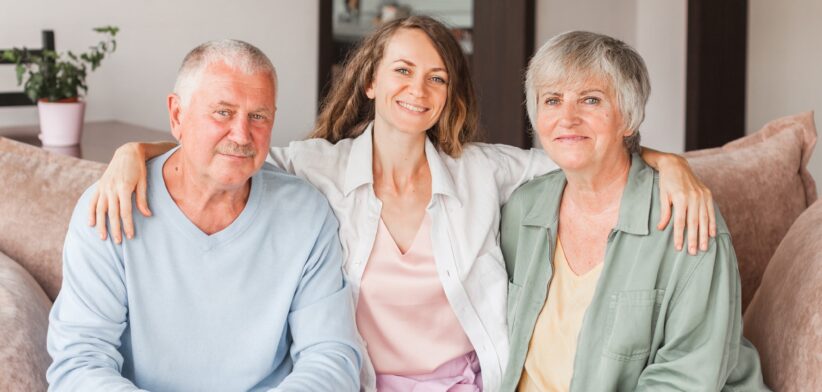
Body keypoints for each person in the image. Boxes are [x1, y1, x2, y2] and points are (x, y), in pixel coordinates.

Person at [88, 17, 716, 391]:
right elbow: (226, 149)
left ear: (450, 93)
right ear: (369, 80)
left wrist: (670, 162)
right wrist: (131, 155)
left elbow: (583, 149)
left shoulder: (482, 171)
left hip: (466, 383)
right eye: (403, 71)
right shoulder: (319, 168)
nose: (419, 89)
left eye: (438, 77)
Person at [46, 40, 362, 391]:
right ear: (177, 115)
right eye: (222, 112)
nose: (242, 135)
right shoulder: (112, 205)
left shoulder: (305, 213)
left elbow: (331, 356)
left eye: (258, 116)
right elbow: (80, 362)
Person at [500, 31, 768, 391]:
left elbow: (687, 376)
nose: (567, 117)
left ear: (628, 118)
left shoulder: (685, 218)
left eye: (590, 100)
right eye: (552, 100)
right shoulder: (522, 209)